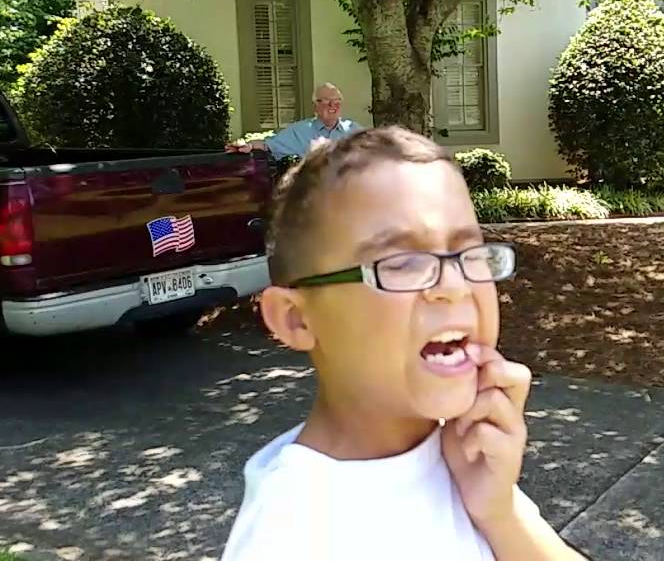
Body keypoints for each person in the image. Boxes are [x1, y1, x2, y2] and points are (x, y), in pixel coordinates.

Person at [221, 127, 585, 561]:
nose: (454, 286)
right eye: (402, 263)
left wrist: (500, 512)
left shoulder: (458, 453)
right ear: (296, 319)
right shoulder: (294, 533)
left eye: (470, 253)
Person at [226, 82, 360, 159]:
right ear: (315, 106)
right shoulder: (299, 132)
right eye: (326, 101)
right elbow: (269, 145)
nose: (332, 105)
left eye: (337, 101)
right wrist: (247, 145)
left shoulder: (355, 131)